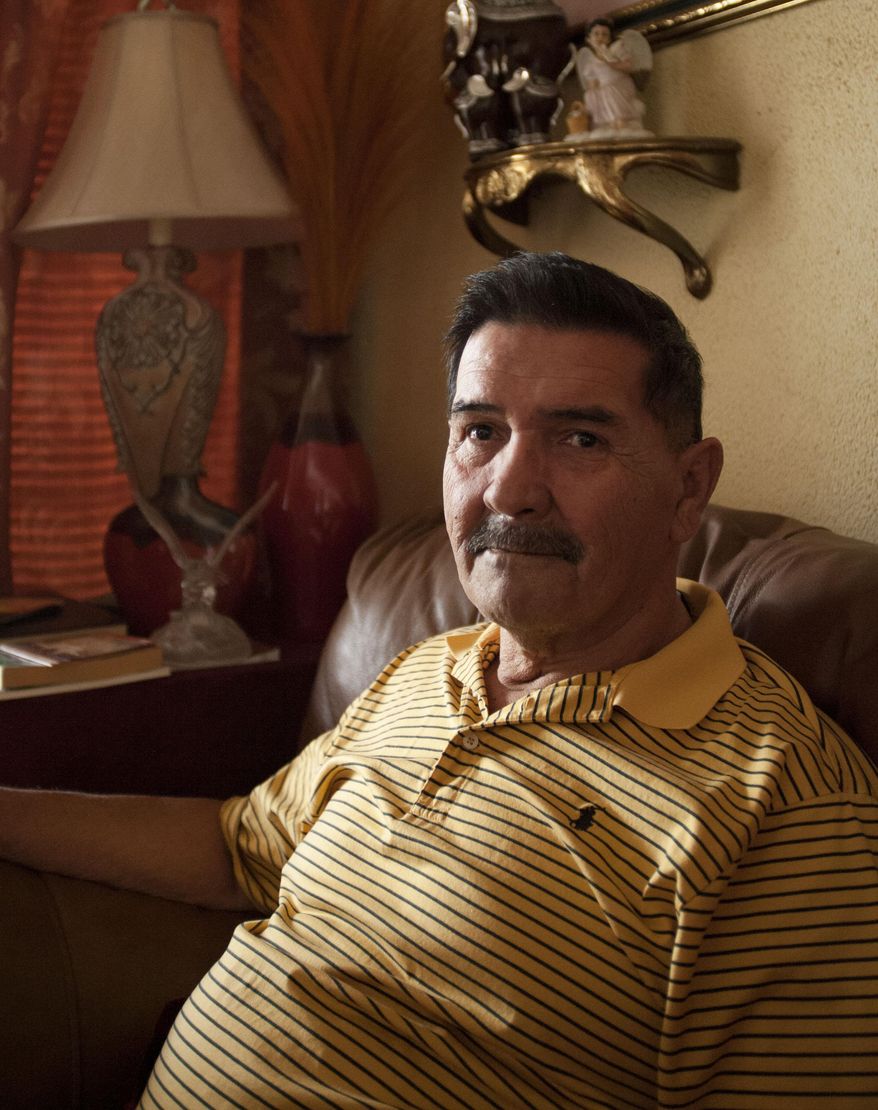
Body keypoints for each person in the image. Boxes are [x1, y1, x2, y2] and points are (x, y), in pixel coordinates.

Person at [2, 252, 876, 1107]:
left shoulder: (784, 807)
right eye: (480, 432)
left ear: (689, 489)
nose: (511, 490)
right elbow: (239, 847)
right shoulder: (430, 669)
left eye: (580, 439)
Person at [573, 18, 651, 139]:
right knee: (594, 97)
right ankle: (609, 126)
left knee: (614, 103)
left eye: (604, 34)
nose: (600, 37)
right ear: (589, 39)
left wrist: (609, 62)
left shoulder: (617, 49)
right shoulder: (591, 61)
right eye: (596, 34)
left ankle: (622, 127)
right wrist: (591, 96)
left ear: (609, 38)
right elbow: (592, 82)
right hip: (603, 90)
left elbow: (628, 66)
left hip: (619, 85)